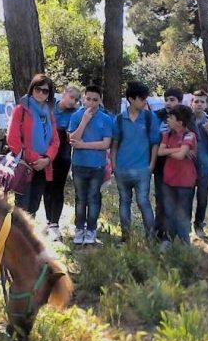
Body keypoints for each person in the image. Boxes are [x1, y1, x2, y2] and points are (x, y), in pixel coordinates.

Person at [110, 81, 160, 239]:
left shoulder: (149, 118)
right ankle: (126, 237)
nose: (145, 101)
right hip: (122, 168)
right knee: (124, 201)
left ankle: (150, 237)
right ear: (131, 99)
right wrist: (114, 165)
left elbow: (155, 143)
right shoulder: (119, 119)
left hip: (142, 169)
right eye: (142, 98)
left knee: (143, 202)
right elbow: (115, 144)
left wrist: (151, 165)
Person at [6, 74, 60, 216]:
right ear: (32, 89)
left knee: (34, 206)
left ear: (49, 94)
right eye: (38, 89)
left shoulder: (50, 113)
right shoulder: (20, 110)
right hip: (25, 165)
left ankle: (28, 237)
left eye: (45, 91)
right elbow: (13, 139)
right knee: (21, 208)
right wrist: (34, 158)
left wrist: (47, 159)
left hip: (43, 166)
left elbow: (55, 141)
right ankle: (16, 237)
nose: (41, 93)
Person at [68, 85, 113, 245]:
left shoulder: (106, 119)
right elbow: (72, 140)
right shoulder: (76, 116)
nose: (91, 103)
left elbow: (105, 143)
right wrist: (84, 121)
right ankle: (79, 228)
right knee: (80, 199)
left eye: (95, 100)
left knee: (93, 198)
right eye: (88, 99)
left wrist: (84, 145)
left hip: (97, 166)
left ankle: (91, 229)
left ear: (99, 100)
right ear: (83, 99)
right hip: (79, 165)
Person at [43, 86, 81, 241]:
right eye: (71, 97)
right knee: (46, 188)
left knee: (57, 189)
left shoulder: (76, 114)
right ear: (64, 94)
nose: (73, 101)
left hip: (63, 153)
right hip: (45, 152)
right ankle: (48, 220)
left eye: (76, 99)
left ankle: (55, 224)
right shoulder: (49, 106)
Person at [158, 105, 198, 244]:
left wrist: (171, 149)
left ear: (180, 122)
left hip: (185, 181)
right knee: (168, 211)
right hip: (169, 179)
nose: (168, 120)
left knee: (182, 212)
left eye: (171, 118)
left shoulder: (190, 135)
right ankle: (168, 238)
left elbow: (181, 155)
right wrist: (177, 149)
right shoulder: (167, 134)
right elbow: (160, 152)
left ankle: (184, 240)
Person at [190, 90, 208, 237]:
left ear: (206, 104)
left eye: (202, 102)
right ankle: (184, 226)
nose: (199, 104)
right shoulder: (186, 120)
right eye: (196, 101)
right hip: (188, 166)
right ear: (191, 103)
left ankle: (199, 225)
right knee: (186, 197)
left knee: (202, 197)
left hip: (205, 166)